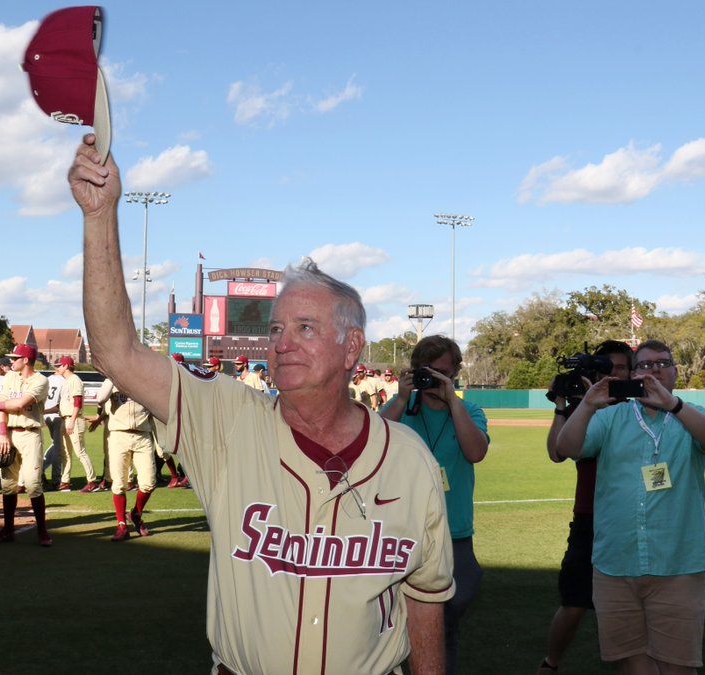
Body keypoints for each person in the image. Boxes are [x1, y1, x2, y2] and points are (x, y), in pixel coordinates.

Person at [69, 133, 455, 674]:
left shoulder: (409, 457)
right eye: (276, 328)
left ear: (351, 347)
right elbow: (115, 351)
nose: (281, 341)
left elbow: (426, 597)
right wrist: (99, 214)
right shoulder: (224, 421)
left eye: (304, 327)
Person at [556, 339, 705, 675]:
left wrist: (674, 406)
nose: (655, 370)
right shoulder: (610, 416)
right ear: (633, 373)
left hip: (678, 564)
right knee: (634, 664)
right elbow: (567, 447)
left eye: (663, 362)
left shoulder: (692, 414)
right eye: (645, 365)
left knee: (679, 666)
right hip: (616, 564)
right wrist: (587, 406)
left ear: (676, 371)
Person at [381, 335, 490, 674]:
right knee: (391, 629)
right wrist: (401, 399)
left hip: (454, 536)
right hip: (402, 534)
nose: (434, 381)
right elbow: (373, 443)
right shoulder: (402, 410)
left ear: (456, 372)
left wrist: (453, 400)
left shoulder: (469, 411)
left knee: (443, 628)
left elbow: (476, 452)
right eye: (426, 372)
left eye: (443, 373)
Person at [539, 339, 634, 675]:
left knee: (628, 608)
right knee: (574, 602)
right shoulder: (586, 407)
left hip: (630, 518)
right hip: (589, 517)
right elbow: (556, 452)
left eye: (619, 367)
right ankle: (550, 664)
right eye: (604, 367)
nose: (611, 373)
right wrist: (563, 404)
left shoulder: (640, 406)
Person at [0, 343, 52, 547]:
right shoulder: (9, 377)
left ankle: (42, 531)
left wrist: (0, 405)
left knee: (33, 483)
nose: (10, 361)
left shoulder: (41, 380)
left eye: (15, 358)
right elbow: (2, 409)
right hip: (9, 434)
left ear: (26, 360)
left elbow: (19, 404)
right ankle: (8, 530)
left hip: (30, 434)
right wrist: (2, 434)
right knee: (8, 484)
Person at [95, 379, 157, 541]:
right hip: (118, 435)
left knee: (149, 482)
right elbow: (100, 398)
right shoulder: (113, 379)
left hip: (142, 435)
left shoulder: (146, 380)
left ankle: (135, 514)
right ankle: (121, 524)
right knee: (119, 483)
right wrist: (112, 376)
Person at [56, 356, 99, 492]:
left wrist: (72, 421)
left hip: (73, 420)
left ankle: (92, 481)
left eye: (60, 365)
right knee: (66, 453)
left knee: (80, 452)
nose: (58, 368)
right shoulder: (67, 382)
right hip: (65, 419)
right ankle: (65, 481)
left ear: (67, 366)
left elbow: (77, 402)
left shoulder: (75, 380)